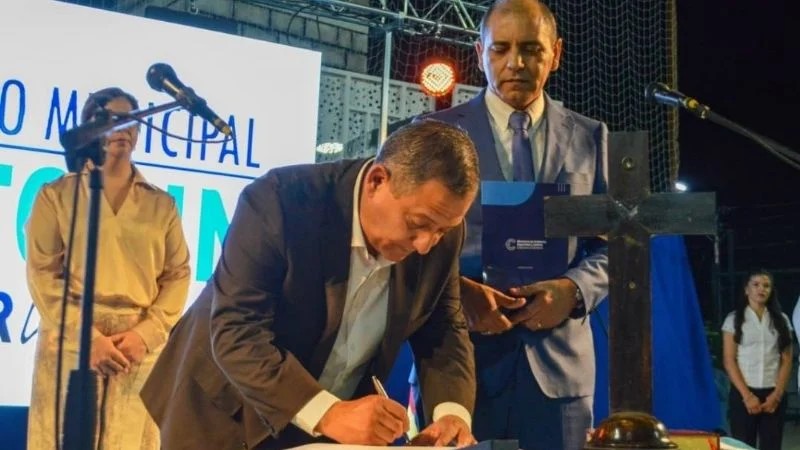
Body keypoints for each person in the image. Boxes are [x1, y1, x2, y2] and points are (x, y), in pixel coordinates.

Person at [140, 119, 480, 450]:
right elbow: (237, 331)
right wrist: (329, 413)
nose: (426, 244)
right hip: (223, 408)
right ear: (377, 181)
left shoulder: (442, 235)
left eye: (442, 230)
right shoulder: (281, 201)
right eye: (417, 223)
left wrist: (451, 414)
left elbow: (443, 328)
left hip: (330, 426)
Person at [422, 1, 609, 449]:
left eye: (531, 49)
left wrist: (574, 290)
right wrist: (459, 293)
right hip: (456, 363)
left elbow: (616, 247)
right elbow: (406, 246)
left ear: (556, 53)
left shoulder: (592, 138)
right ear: (479, 52)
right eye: (500, 48)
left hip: (560, 370)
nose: (516, 63)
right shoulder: (431, 134)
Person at [26, 87, 191, 449]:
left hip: (136, 347)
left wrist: (145, 335)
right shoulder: (56, 195)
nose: (123, 128)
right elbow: (42, 273)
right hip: (72, 339)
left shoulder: (161, 204)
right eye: (112, 119)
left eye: (130, 120)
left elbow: (178, 274)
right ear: (90, 129)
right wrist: (87, 337)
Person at [721, 269, 793, 450]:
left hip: (773, 394)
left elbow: (787, 359)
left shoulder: (782, 320)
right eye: (756, 284)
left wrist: (777, 395)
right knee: (743, 446)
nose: (761, 289)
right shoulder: (734, 319)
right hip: (744, 393)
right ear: (747, 290)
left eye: (766, 285)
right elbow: (729, 360)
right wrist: (747, 396)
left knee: (772, 445)